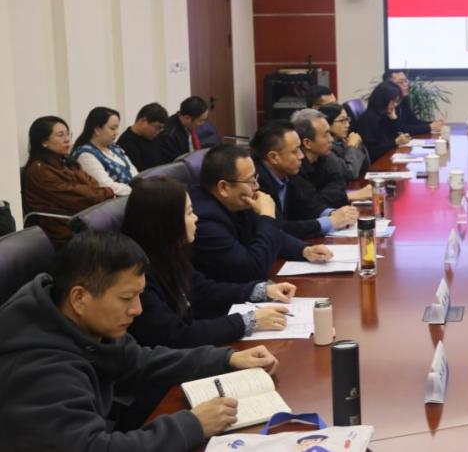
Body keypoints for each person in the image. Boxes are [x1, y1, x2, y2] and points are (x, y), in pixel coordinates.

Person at [0, 230, 281, 450]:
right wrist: (193, 424)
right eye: (126, 298)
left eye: (138, 295)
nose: (137, 309)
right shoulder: (39, 370)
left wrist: (226, 358)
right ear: (79, 298)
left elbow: (138, 361)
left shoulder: (78, 322)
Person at [123, 177, 297, 348]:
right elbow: (176, 335)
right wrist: (248, 321)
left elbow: (201, 289)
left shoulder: (168, 253)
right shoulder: (137, 275)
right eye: (189, 213)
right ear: (166, 222)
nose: (196, 218)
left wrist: (260, 291)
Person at [190, 145, 334, 283]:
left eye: (256, 179)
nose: (256, 186)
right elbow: (252, 270)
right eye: (250, 181)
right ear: (224, 187)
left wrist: (304, 250)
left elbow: (274, 236)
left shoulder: (236, 203)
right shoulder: (203, 220)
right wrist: (267, 217)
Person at [250, 120, 360, 240]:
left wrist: (333, 213)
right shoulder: (256, 183)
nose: (301, 156)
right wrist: (330, 222)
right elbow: (278, 228)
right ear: (273, 157)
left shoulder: (288, 174)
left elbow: (309, 204)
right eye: (295, 151)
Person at [21, 116, 114, 247]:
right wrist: (107, 193)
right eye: (60, 135)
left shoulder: (66, 161)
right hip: (62, 230)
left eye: (67, 134)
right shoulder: (39, 170)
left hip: (83, 222)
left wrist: (101, 193)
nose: (67, 139)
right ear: (44, 142)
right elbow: (78, 198)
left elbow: (93, 184)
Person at [292, 108, 372, 205]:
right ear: (307, 143)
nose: (331, 139)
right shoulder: (295, 167)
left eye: (330, 133)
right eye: (325, 135)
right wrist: (347, 196)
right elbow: (311, 204)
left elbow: (340, 184)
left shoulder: (324, 157)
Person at [71, 107, 138, 197]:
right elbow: (105, 185)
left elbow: (133, 172)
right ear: (97, 130)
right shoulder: (85, 155)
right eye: (112, 128)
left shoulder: (114, 147)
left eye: (117, 128)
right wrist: (135, 190)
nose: (116, 132)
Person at [354, 80, 410, 161]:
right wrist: (395, 142)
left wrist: (394, 119)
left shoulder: (385, 115)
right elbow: (371, 152)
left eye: (396, 102)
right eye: (393, 101)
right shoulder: (370, 119)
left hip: (388, 157)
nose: (395, 105)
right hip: (376, 163)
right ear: (384, 100)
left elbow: (405, 134)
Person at [321, 102, 370, 182]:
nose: (347, 125)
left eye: (347, 119)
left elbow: (365, 165)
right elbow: (351, 173)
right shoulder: (327, 148)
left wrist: (359, 144)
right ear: (328, 123)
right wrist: (352, 147)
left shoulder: (341, 141)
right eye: (342, 121)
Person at [386, 70, 444, 135]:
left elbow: (414, 121)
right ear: (389, 86)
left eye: (406, 81)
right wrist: (429, 127)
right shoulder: (387, 103)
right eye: (401, 82)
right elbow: (400, 129)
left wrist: (433, 123)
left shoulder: (404, 99)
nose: (406, 85)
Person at [156, 96, 210, 164]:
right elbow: (175, 164)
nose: (203, 124)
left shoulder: (189, 125)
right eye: (200, 120)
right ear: (187, 118)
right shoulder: (169, 136)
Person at [117, 102, 169, 172]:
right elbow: (138, 172)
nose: (159, 131)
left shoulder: (159, 136)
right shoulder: (126, 142)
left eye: (161, 128)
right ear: (143, 121)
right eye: (157, 127)